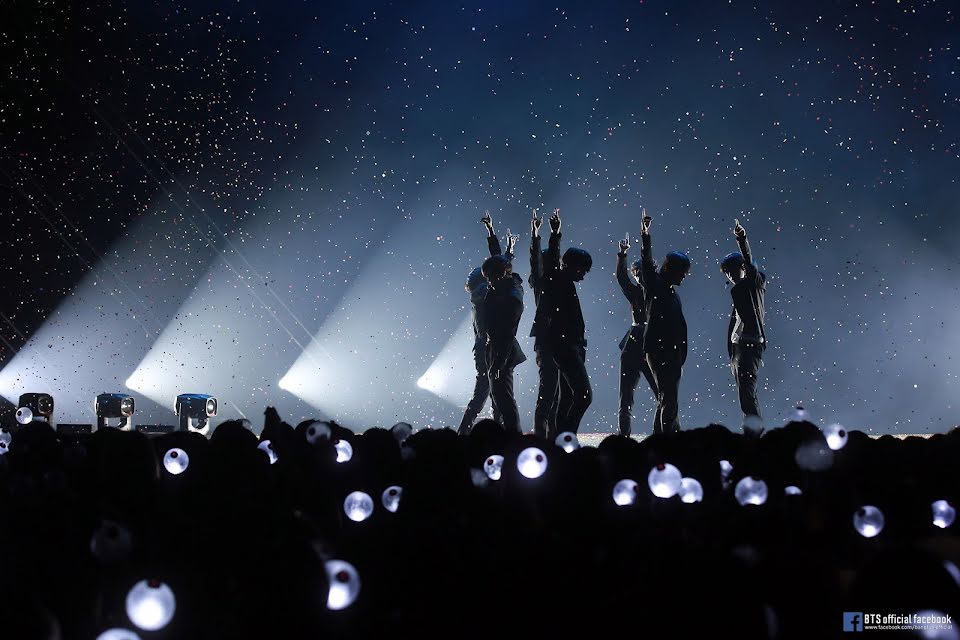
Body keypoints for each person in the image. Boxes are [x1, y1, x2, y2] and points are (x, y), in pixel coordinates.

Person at [529, 208, 593, 436]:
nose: (583, 275)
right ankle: (561, 437)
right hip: (561, 345)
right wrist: (552, 234)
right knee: (571, 395)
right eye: (582, 269)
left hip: (571, 344)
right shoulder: (554, 278)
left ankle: (560, 439)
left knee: (564, 398)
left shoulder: (564, 281)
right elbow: (542, 260)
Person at [458, 212, 517, 435]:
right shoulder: (485, 294)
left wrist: (496, 237)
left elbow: (499, 264)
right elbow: (499, 265)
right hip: (488, 350)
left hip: (484, 350)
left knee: (488, 394)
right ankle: (474, 432)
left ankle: (468, 432)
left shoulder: (479, 295)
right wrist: (499, 242)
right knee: (490, 394)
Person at [638, 209, 690, 434]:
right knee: (668, 398)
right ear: (671, 269)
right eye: (683, 271)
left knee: (666, 398)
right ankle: (668, 438)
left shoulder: (672, 293)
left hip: (672, 353)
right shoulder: (655, 284)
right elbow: (647, 262)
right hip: (660, 351)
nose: (685, 276)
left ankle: (662, 436)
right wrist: (645, 235)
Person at [720, 219, 767, 426]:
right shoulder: (739, 289)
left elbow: (750, 263)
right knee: (746, 394)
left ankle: (754, 433)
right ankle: (754, 430)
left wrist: (742, 239)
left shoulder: (754, 283)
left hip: (749, 345)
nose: (730, 275)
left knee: (747, 395)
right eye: (726, 272)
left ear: (742, 268)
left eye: (732, 270)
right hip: (739, 347)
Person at [615, 233, 657, 436]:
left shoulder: (658, 292)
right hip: (633, 344)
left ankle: (664, 433)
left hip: (650, 345)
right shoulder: (634, 291)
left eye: (641, 273)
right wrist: (622, 255)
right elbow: (622, 279)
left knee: (661, 393)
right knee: (626, 397)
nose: (638, 277)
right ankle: (624, 436)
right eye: (636, 273)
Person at [481, 254, 526, 434]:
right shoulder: (501, 290)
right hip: (497, 350)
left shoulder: (511, 296)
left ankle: (513, 437)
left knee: (504, 399)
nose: (489, 281)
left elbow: (507, 332)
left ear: (500, 275)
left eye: (490, 277)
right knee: (500, 398)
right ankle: (507, 435)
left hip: (502, 351)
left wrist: (499, 362)